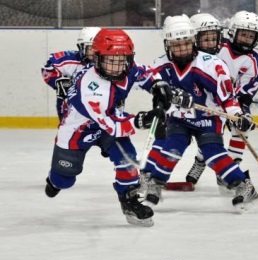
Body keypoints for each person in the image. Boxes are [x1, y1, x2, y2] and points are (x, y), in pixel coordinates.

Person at [44, 28, 171, 227]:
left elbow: (145, 73)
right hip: (79, 130)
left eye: (122, 60)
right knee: (64, 180)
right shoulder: (89, 86)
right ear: (97, 58)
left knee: (127, 160)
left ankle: (129, 201)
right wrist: (142, 120)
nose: (116, 67)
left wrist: (158, 85)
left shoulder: (126, 66)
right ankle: (54, 180)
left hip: (110, 126)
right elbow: (111, 124)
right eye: (110, 60)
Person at [140, 14, 258, 211]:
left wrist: (239, 116)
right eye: (176, 45)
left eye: (186, 43)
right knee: (172, 147)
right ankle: (156, 182)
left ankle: (243, 186)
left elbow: (227, 98)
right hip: (179, 119)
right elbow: (152, 86)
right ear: (167, 44)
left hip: (208, 118)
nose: (181, 49)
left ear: (193, 41)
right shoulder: (160, 65)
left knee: (213, 154)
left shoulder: (211, 64)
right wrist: (173, 95)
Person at [185, 11, 258, 191]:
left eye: (250, 36)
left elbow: (245, 94)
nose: (246, 39)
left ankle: (232, 164)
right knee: (212, 132)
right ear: (233, 32)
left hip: (230, 100)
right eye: (243, 34)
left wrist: (239, 110)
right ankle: (200, 161)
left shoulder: (256, 64)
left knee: (243, 127)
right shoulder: (216, 45)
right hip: (206, 97)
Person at [41, 27, 101, 121]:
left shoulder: (109, 63)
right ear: (81, 47)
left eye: (98, 48)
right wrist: (58, 82)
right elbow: (48, 69)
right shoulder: (70, 59)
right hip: (73, 110)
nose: (95, 52)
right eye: (91, 48)